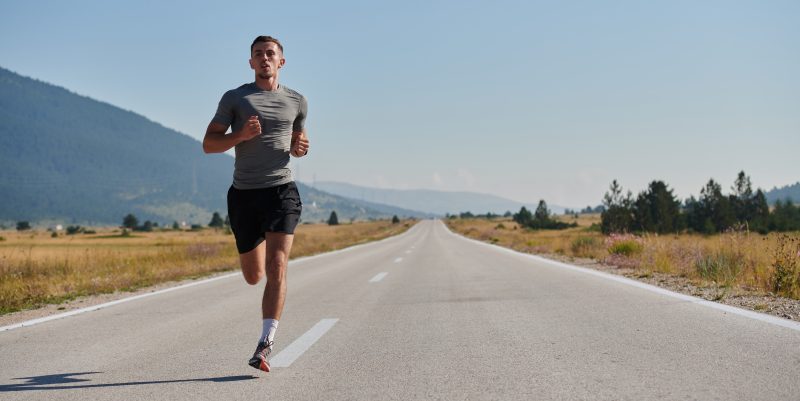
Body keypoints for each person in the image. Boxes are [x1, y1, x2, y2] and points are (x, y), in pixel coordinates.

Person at [202, 35, 309, 372]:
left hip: (282, 191)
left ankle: (265, 344)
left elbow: (296, 142)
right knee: (253, 275)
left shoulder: (297, 101)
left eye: (271, 54)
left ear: (281, 61)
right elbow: (209, 144)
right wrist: (239, 136)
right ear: (250, 62)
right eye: (258, 54)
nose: (265, 58)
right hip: (244, 194)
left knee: (278, 266)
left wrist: (299, 148)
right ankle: (256, 252)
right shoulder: (235, 99)